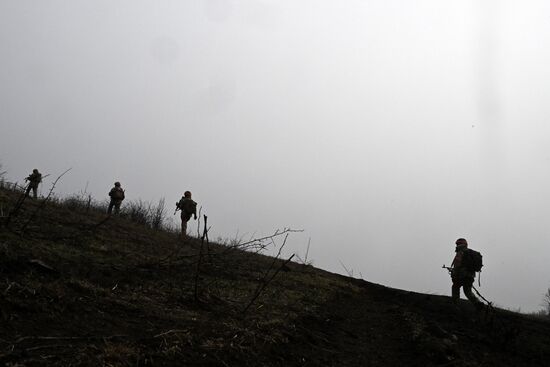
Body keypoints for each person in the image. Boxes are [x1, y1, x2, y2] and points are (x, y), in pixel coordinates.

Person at [450, 238, 484, 310]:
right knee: (467, 291)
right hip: (470, 276)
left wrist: (454, 273)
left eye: (457, 244)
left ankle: (455, 305)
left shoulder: (461, 253)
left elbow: (458, 265)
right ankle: (477, 303)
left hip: (461, 275)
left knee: (455, 288)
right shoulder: (469, 253)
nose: (456, 245)